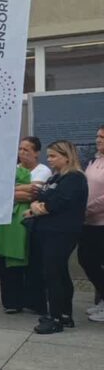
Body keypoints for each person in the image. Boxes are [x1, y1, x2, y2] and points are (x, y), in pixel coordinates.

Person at [24, 141, 89, 334]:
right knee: (58, 272)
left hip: (61, 233)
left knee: (53, 274)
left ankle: (56, 318)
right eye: (49, 156)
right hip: (49, 231)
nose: (50, 160)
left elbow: (55, 203)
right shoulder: (57, 177)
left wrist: (39, 207)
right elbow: (42, 197)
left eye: (53, 156)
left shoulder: (74, 178)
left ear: (67, 157)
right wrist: (38, 206)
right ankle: (63, 314)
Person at [0, 137, 52, 314]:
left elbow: (33, 193)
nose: (22, 153)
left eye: (27, 150)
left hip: (32, 222)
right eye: (20, 149)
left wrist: (11, 190)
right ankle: (12, 301)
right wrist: (15, 190)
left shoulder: (43, 171)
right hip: (9, 223)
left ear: (36, 153)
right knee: (7, 264)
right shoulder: (13, 169)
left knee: (32, 264)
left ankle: (33, 301)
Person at [78, 125, 104, 322]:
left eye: (103, 137)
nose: (98, 140)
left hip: (101, 222)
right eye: (98, 136)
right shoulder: (94, 161)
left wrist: (89, 208)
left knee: (95, 261)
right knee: (85, 259)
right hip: (88, 222)